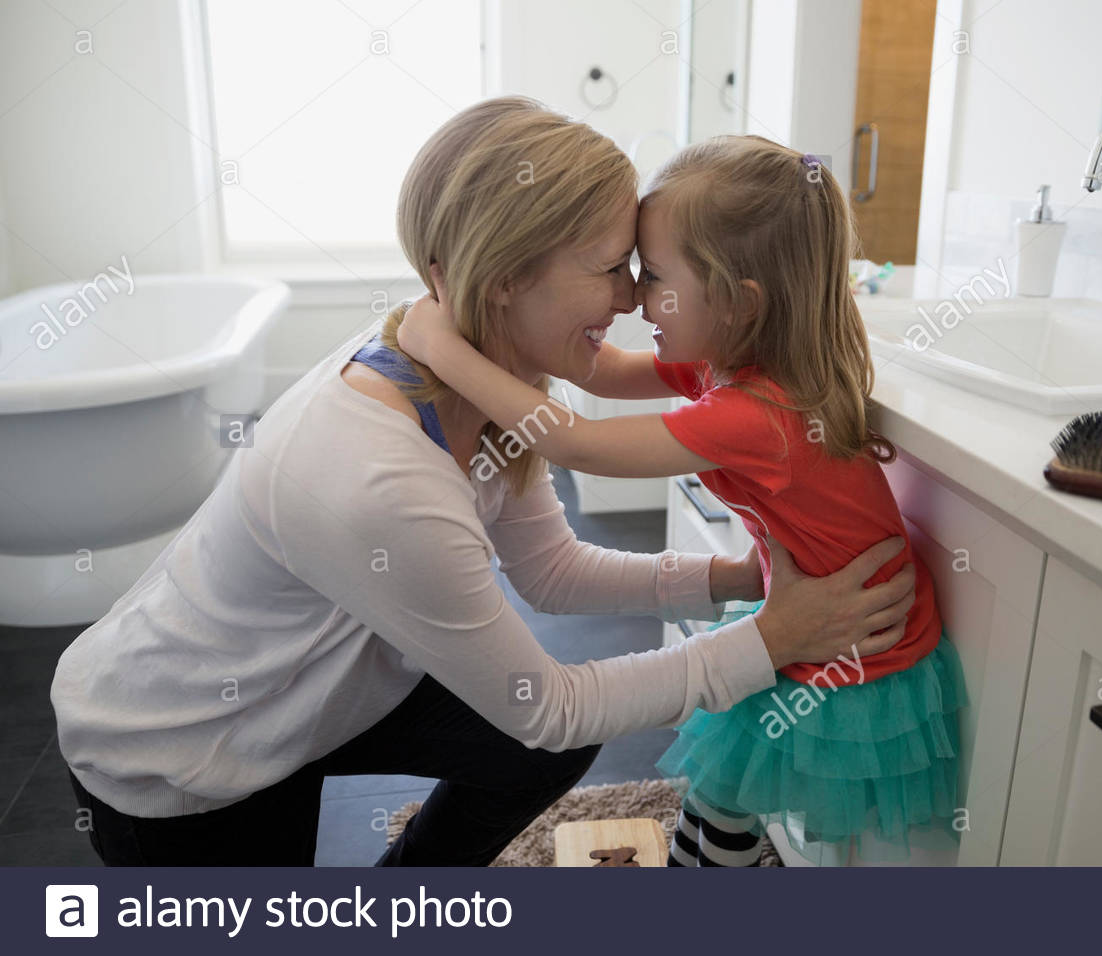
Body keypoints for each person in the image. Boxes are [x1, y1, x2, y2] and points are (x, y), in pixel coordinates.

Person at [49, 97, 916, 866]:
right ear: (507, 279)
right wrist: (772, 639)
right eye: (615, 265)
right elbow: (551, 707)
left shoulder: (489, 380)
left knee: (535, 754)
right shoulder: (378, 471)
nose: (629, 299)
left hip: (316, 693)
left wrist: (736, 578)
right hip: (185, 747)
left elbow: (552, 572)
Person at [395, 133, 970, 867]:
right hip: (823, 613)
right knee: (721, 780)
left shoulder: (758, 412)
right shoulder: (730, 365)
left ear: (737, 301)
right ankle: (707, 861)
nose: (635, 296)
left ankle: (709, 870)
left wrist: (442, 348)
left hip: (856, 650)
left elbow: (578, 443)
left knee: (730, 784)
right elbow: (599, 373)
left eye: (653, 275)